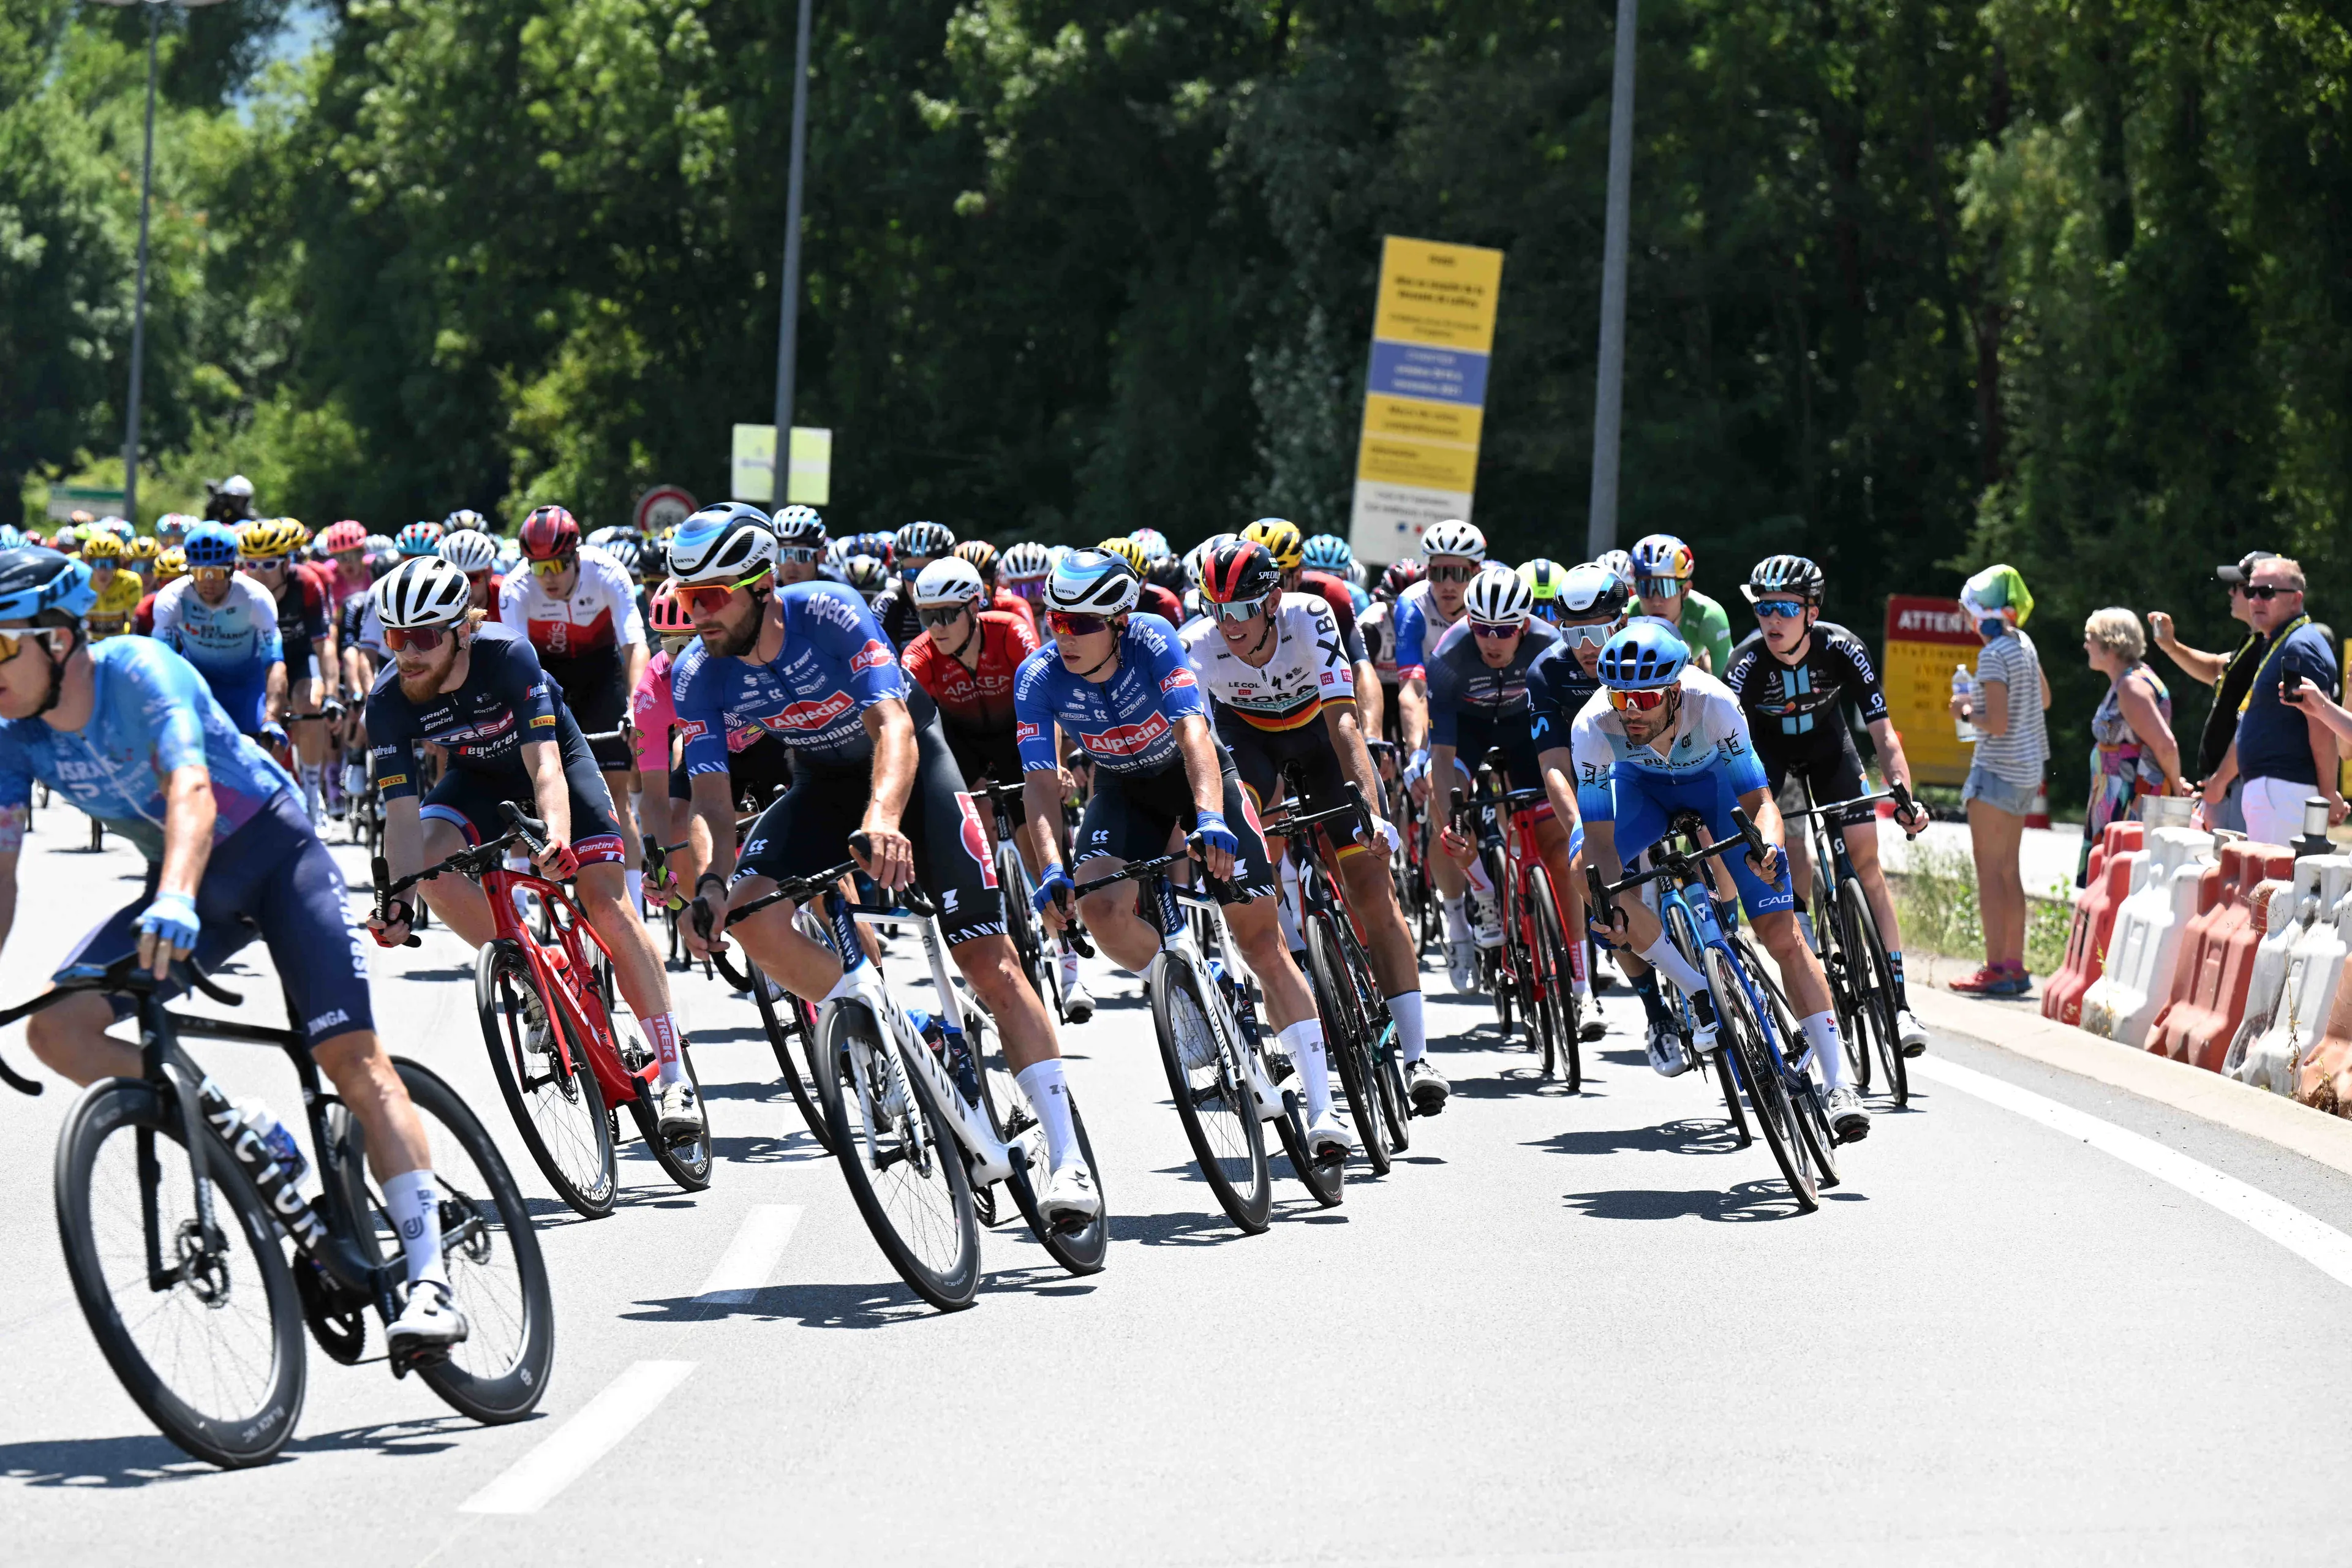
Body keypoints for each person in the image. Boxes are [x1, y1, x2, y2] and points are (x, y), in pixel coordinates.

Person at [0, 547, 467, 1349]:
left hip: (273, 857)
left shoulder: (141, 671)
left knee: (350, 1060)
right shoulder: (13, 739)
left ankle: (430, 1281)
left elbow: (193, 790)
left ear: (59, 639)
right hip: (190, 887)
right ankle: (236, 1120)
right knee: (58, 1029)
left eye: (0, 646)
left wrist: (176, 895)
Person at [662, 511, 1099, 1221]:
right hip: (822, 787)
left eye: (710, 597)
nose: (696, 615)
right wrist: (709, 883)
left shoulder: (829, 612)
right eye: (687, 600)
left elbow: (894, 724)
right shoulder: (697, 674)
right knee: (747, 912)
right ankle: (898, 1021)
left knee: (989, 962)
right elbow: (709, 800)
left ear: (761, 583)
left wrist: (885, 819)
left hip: (915, 772)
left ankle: (1068, 1158)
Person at [1016, 549, 1355, 1163]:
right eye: (1054, 618)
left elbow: (1195, 733)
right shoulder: (1039, 677)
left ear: (1118, 622)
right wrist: (1047, 868)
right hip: (1121, 788)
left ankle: (1322, 1105)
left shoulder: (1154, 641)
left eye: (1080, 623)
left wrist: (1207, 819)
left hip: (1194, 773)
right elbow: (1040, 784)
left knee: (1260, 942)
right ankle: (1190, 997)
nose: (1061, 634)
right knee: (1099, 908)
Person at [363, 556, 704, 1139]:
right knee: (429, 869)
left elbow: (546, 764)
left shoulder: (507, 656)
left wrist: (557, 835)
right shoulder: (388, 700)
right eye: (397, 637)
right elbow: (399, 819)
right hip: (478, 778)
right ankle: (536, 974)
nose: (408, 653)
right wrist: (395, 898)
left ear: (462, 630)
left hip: (555, 765)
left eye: (423, 637)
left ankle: (674, 1076)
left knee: (603, 902)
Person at [1572, 622, 1869, 1140]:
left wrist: (1771, 849)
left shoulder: (1714, 703)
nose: (1631, 710)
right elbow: (1598, 840)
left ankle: (1838, 1081)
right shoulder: (1593, 724)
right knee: (1588, 877)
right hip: (1638, 792)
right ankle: (1694, 989)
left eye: (1644, 696)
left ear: (1676, 690)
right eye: (1621, 695)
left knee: (1784, 935)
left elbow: (1762, 805)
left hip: (1714, 788)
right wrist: (1610, 904)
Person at [1183, 539, 1446, 1111]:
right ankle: (1296, 1027)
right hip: (1247, 743)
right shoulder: (1197, 644)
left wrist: (1374, 815)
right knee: (1252, 881)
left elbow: (1345, 725)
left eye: (1240, 611)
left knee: (1372, 889)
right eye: (1216, 610)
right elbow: (1200, 743)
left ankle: (1417, 1054)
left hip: (1319, 736)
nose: (1227, 626)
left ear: (1273, 600)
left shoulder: (1311, 617)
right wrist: (1213, 824)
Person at [1722, 554, 1931, 1052]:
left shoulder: (1843, 648)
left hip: (1828, 750)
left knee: (1866, 863)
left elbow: (1882, 732)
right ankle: (1800, 941)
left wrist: (1903, 794)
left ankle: (1898, 1005)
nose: (1771, 619)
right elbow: (1726, 747)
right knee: (1774, 852)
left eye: (1784, 609)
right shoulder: (1746, 663)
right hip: (1768, 758)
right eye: (1762, 608)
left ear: (1811, 612)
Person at [901, 556, 1093, 1023]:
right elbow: (913, 732)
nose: (938, 627)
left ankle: (1070, 968)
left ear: (975, 606)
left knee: (1038, 846)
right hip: (961, 745)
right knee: (971, 828)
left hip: (1019, 732)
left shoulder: (1009, 631)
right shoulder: (920, 656)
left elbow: (1045, 697)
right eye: (928, 616)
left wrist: (1056, 761)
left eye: (948, 614)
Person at [500, 504, 650, 909]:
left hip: (601, 676)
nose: (547, 578)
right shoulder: (516, 588)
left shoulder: (607, 573)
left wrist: (635, 709)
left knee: (616, 796)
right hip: (545, 677)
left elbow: (634, 645)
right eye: (538, 568)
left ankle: (633, 905)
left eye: (556, 567)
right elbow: (516, 664)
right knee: (533, 783)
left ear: (576, 557)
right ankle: (529, 895)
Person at [1424, 566, 1566, 995]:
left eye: (1504, 630)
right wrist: (1453, 823)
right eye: (1481, 627)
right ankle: (1462, 918)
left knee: (1552, 822)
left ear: (1524, 625)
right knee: (1443, 809)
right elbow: (1444, 755)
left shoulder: (1551, 648)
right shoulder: (1448, 658)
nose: (1491, 640)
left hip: (1524, 729)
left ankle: (1552, 918)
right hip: (1469, 733)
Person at [1527, 563, 1630, 1041]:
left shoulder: (1644, 651)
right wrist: (1579, 829)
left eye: (1597, 632)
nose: (1587, 647)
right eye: (1574, 633)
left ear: (1622, 623)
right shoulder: (1547, 670)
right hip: (1586, 773)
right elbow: (1554, 767)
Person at [1945, 564, 2050, 997]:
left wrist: (1965, 711)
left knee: (1990, 874)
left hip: (1996, 771)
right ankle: (2015, 966)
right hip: (2028, 771)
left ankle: (1993, 968)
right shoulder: (2023, 643)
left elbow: (1998, 724)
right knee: (2010, 871)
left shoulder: (1992, 654)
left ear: (1981, 613)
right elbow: (2044, 698)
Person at [2223, 556, 2346, 845]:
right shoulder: (2281, 641)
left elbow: (2321, 726)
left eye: (2266, 592)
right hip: (2275, 791)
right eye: (2251, 592)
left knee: (2271, 887)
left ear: (2296, 599)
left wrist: (2328, 794)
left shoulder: (2300, 645)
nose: (2255, 600)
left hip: (2284, 791)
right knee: (2263, 886)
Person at [1240, 519, 1382, 739]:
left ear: (1298, 576)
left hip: (1313, 709)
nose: (1264, 594)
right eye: (1250, 582)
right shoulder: (1228, 606)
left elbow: (1360, 667)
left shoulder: (1328, 593)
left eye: (1276, 580)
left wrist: (1372, 737)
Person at [151, 521, 287, 745]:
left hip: (246, 688)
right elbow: (160, 661)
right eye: (200, 572)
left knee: (259, 751)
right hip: (197, 684)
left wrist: (272, 718)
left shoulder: (256, 598)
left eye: (216, 572)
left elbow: (274, 662)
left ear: (232, 569)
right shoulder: (172, 598)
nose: (208, 581)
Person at [240, 518, 336, 821]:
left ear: (287, 562)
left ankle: (311, 792)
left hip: (299, 657)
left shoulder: (306, 584)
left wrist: (332, 693)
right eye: (251, 565)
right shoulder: (240, 590)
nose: (259, 573)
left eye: (269, 564)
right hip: (259, 663)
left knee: (310, 705)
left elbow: (325, 646)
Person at [2080, 607, 2182, 878]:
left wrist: (2177, 790)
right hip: (2118, 794)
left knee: (2118, 881)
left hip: (2128, 799)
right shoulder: (2130, 680)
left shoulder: (2131, 686)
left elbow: (2165, 745)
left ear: (2109, 643)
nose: (2085, 645)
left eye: (2090, 637)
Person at [1628, 533, 1733, 674]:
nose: (1656, 601)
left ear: (1685, 591)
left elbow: (1728, 685)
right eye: (1645, 588)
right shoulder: (1625, 615)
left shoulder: (1708, 616)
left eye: (1666, 589)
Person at [868, 520, 954, 649]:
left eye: (930, 574)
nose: (920, 582)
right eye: (911, 574)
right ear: (900, 573)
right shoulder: (886, 605)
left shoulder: (968, 601)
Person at [78, 533, 143, 639]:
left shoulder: (130, 582)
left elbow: (136, 621)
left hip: (119, 643)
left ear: (118, 564)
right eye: (97, 563)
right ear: (89, 563)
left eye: (109, 563)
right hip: (88, 644)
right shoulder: (81, 582)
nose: (103, 571)